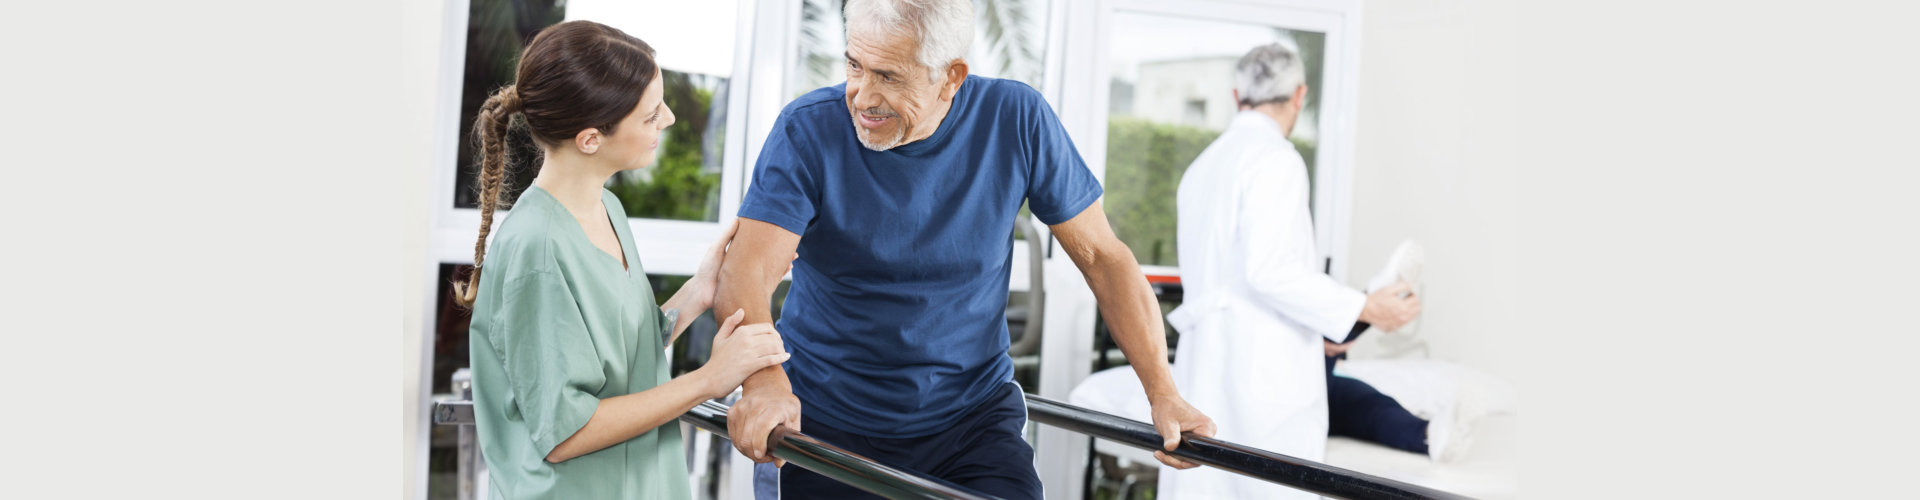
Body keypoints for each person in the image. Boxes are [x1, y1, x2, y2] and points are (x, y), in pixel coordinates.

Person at [709, 1, 1217, 498]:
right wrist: (765, 380)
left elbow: (1104, 259)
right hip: (825, 418)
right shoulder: (808, 129)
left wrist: (1163, 395)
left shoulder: (1016, 119)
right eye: (854, 66)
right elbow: (747, 272)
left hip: (969, 423)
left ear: (951, 77)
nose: (862, 96)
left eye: (889, 76)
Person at [456, 20, 790, 499]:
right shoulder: (538, 249)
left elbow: (616, 356)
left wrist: (698, 291)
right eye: (651, 115)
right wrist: (707, 380)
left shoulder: (605, 208)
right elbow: (566, 432)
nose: (670, 119)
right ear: (591, 139)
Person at [1159, 42, 1423, 499]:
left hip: (1208, 360)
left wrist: (1333, 322)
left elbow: (1240, 276)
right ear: (1299, 96)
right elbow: (1270, 271)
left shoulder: (1204, 166)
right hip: (1259, 371)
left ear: (1237, 94)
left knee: (1210, 485)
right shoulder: (1275, 158)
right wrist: (1366, 306)